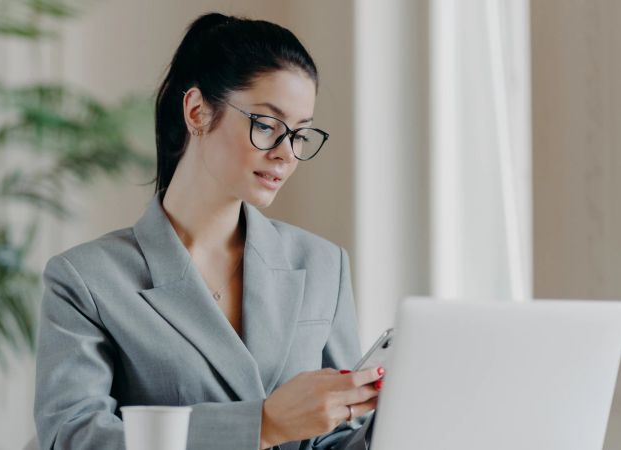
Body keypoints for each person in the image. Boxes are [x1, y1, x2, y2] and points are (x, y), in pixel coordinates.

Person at [33, 12, 384, 450]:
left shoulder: (322, 265)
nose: (285, 154)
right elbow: (72, 438)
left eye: (300, 135)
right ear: (197, 110)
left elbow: (335, 440)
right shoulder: (86, 280)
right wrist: (262, 425)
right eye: (266, 125)